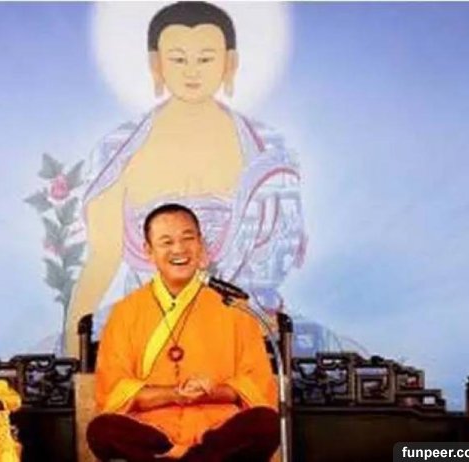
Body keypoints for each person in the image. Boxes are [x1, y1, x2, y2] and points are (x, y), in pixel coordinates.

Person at [64, 1, 306, 356]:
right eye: (178, 59)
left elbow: (277, 256)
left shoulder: (268, 148)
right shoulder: (118, 149)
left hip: (243, 330)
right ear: (156, 63)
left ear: (230, 62)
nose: (192, 71)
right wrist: (75, 354)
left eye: (205, 58)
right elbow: (102, 260)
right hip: (151, 333)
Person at [86, 203, 280, 462]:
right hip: (154, 433)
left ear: (201, 245)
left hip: (218, 432)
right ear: (148, 251)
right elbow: (114, 391)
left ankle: (184, 457)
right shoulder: (125, 313)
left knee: (265, 423)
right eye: (166, 242)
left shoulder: (234, 308)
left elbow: (257, 387)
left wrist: (212, 391)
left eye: (188, 238)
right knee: (103, 430)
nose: (178, 249)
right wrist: (174, 395)